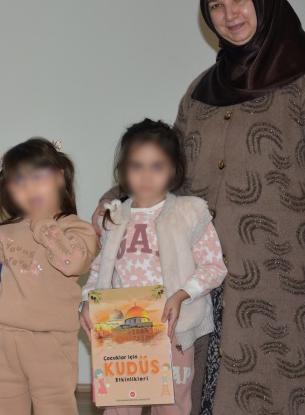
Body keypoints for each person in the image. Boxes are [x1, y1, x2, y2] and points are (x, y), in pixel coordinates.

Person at [91, 0, 305, 414]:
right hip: (202, 269)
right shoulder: (202, 89)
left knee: (288, 380)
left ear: (267, 0)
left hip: (287, 273)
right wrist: (117, 198)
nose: (229, 14)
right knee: (203, 387)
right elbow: (171, 163)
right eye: (215, 5)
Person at [81, 119, 227, 415]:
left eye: (157, 166)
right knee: (120, 407)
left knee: (171, 405)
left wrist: (181, 295)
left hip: (173, 331)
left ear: (174, 169)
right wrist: (87, 302)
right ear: (123, 170)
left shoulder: (189, 212)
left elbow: (214, 267)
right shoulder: (114, 217)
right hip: (121, 330)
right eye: (137, 166)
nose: (146, 175)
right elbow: (99, 271)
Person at [0, 138, 98, 415]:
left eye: (38, 177)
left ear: (59, 177)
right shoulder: (3, 233)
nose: (29, 188)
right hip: (3, 337)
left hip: (50, 340)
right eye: (19, 181)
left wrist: (44, 225)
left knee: (55, 405)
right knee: (2, 405)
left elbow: (74, 261)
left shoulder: (77, 228)